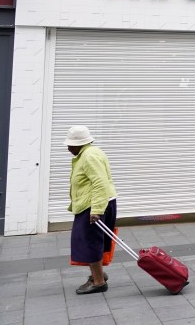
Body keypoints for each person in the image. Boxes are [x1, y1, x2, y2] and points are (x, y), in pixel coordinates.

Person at [64, 126, 118, 295]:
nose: (68, 148)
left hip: (93, 206)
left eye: (70, 145)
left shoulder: (89, 156)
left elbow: (100, 183)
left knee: (90, 242)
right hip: (96, 203)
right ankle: (98, 274)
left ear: (79, 144)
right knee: (92, 241)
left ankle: (99, 282)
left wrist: (96, 211)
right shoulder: (91, 152)